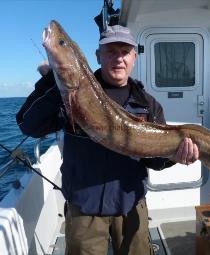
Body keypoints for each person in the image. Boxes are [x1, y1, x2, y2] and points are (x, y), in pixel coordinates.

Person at [17, 25, 199, 255]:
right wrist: (56, 83)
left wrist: (176, 156)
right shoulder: (66, 96)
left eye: (125, 52)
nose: (118, 58)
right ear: (97, 56)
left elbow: (154, 162)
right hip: (85, 209)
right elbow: (28, 125)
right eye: (111, 51)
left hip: (131, 205)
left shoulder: (148, 105)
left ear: (134, 57)